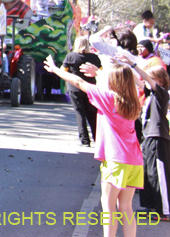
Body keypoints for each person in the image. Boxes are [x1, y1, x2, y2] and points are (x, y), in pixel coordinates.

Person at [44, 56, 143, 237]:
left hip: (116, 160)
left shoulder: (107, 99)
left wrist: (56, 69)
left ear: (113, 82)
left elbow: (78, 81)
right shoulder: (133, 100)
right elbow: (117, 78)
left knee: (108, 206)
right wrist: (98, 73)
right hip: (134, 160)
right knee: (126, 207)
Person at [131, 64, 170, 222]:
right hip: (147, 136)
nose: (146, 81)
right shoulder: (150, 93)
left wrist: (134, 64)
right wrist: (124, 65)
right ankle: (150, 206)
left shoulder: (161, 93)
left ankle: (164, 210)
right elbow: (138, 79)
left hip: (158, 136)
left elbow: (145, 78)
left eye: (151, 78)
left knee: (158, 173)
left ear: (159, 81)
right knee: (147, 172)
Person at [62, 36, 102, 146]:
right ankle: (97, 139)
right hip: (90, 88)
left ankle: (85, 140)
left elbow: (63, 71)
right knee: (92, 114)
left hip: (75, 87)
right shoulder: (94, 58)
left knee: (80, 113)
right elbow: (101, 71)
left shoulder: (71, 57)